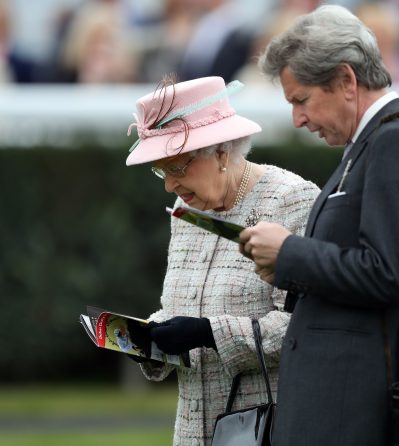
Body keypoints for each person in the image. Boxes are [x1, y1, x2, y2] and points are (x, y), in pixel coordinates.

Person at [240, 5, 399, 445]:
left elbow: (387, 273)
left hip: (355, 407)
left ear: (346, 80)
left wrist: (289, 254)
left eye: (301, 100)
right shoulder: (376, 142)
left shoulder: (396, 140)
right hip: (344, 403)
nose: (298, 119)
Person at [125, 75, 320, 445]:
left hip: (267, 429)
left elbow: (305, 328)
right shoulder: (185, 209)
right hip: (191, 433)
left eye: (177, 167)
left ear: (220, 152)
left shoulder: (291, 200)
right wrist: (151, 340)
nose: (169, 185)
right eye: (161, 170)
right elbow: (182, 309)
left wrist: (210, 333)